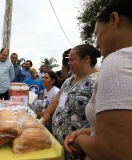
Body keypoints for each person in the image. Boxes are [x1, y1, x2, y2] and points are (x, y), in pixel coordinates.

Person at [64, 1, 132, 159]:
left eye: (97, 34)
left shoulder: (118, 61)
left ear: (114, 20)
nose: (97, 43)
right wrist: (88, 131)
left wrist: (80, 141)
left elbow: (112, 151)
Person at [42, 44, 100, 160]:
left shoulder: (97, 81)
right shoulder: (69, 80)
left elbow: (105, 122)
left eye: (72, 60)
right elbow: (57, 98)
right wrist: (47, 115)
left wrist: (83, 139)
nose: (68, 63)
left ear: (86, 59)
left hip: (76, 148)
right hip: (58, 143)